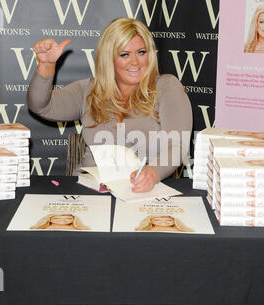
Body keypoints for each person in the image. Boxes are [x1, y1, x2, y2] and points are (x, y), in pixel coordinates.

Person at [28, 17, 193, 193]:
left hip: (140, 192)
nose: (135, 62)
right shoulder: (88, 90)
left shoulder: (166, 86)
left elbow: (176, 146)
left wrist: (153, 173)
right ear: (109, 58)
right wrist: (46, 65)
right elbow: (40, 105)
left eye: (141, 52)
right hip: (88, 191)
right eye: (124, 54)